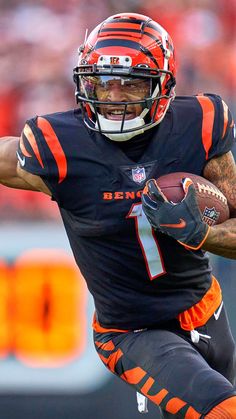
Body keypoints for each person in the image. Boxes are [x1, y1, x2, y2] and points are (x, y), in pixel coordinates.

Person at [0, 11, 236, 418]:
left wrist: (203, 234)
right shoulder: (57, 146)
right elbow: (6, 157)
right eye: (102, 82)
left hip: (207, 310)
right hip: (132, 331)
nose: (113, 97)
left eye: (131, 83)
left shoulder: (199, 124)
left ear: (163, 84)